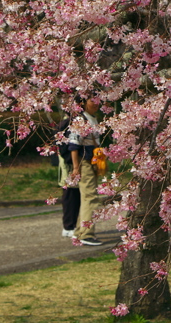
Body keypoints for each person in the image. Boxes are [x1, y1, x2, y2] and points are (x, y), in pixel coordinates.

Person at [67, 96, 103, 246]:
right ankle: (86, 234)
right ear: (83, 103)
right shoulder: (80, 120)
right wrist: (76, 167)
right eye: (92, 100)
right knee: (91, 197)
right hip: (84, 161)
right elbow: (74, 146)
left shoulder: (92, 118)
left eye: (98, 100)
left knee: (87, 197)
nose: (96, 103)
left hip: (93, 160)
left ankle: (79, 232)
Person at [55, 115, 80, 239]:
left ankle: (73, 224)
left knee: (76, 195)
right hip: (68, 162)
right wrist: (72, 162)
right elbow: (64, 146)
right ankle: (68, 226)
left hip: (73, 161)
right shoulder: (67, 123)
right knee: (70, 194)